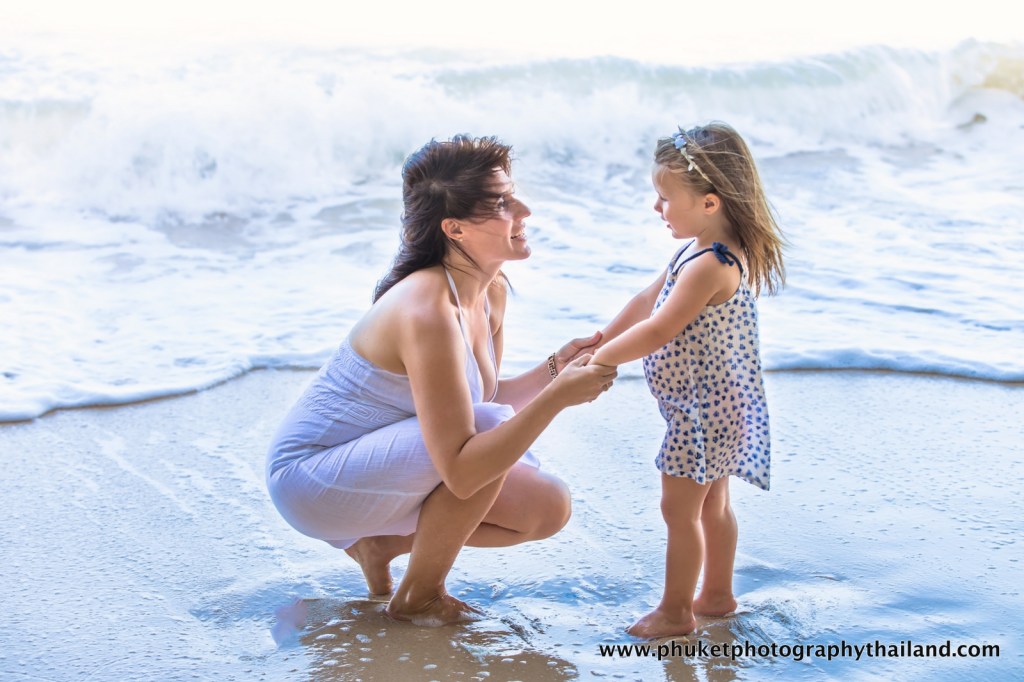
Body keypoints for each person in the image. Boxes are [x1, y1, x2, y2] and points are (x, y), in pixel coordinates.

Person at [266, 135, 617, 625]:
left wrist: (555, 368)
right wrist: (557, 398)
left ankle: (379, 545)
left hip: (373, 464)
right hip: (312, 480)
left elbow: (481, 399)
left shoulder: (489, 291)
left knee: (547, 506)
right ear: (454, 229)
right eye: (502, 202)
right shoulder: (427, 309)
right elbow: (464, 469)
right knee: (482, 445)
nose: (526, 209)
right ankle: (418, 596)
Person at [591, 122, 785, 638]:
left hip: (699, 414)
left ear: (710, 202)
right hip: (719, 407)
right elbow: (643, 303)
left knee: (679, 509)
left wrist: (600, 364)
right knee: (712, 503)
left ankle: (677, 611)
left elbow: (659, 327)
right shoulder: (700, 250)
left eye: (664, 197)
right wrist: (599, 339)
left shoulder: (709, 265)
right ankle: (717, 595)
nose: (658, 208)